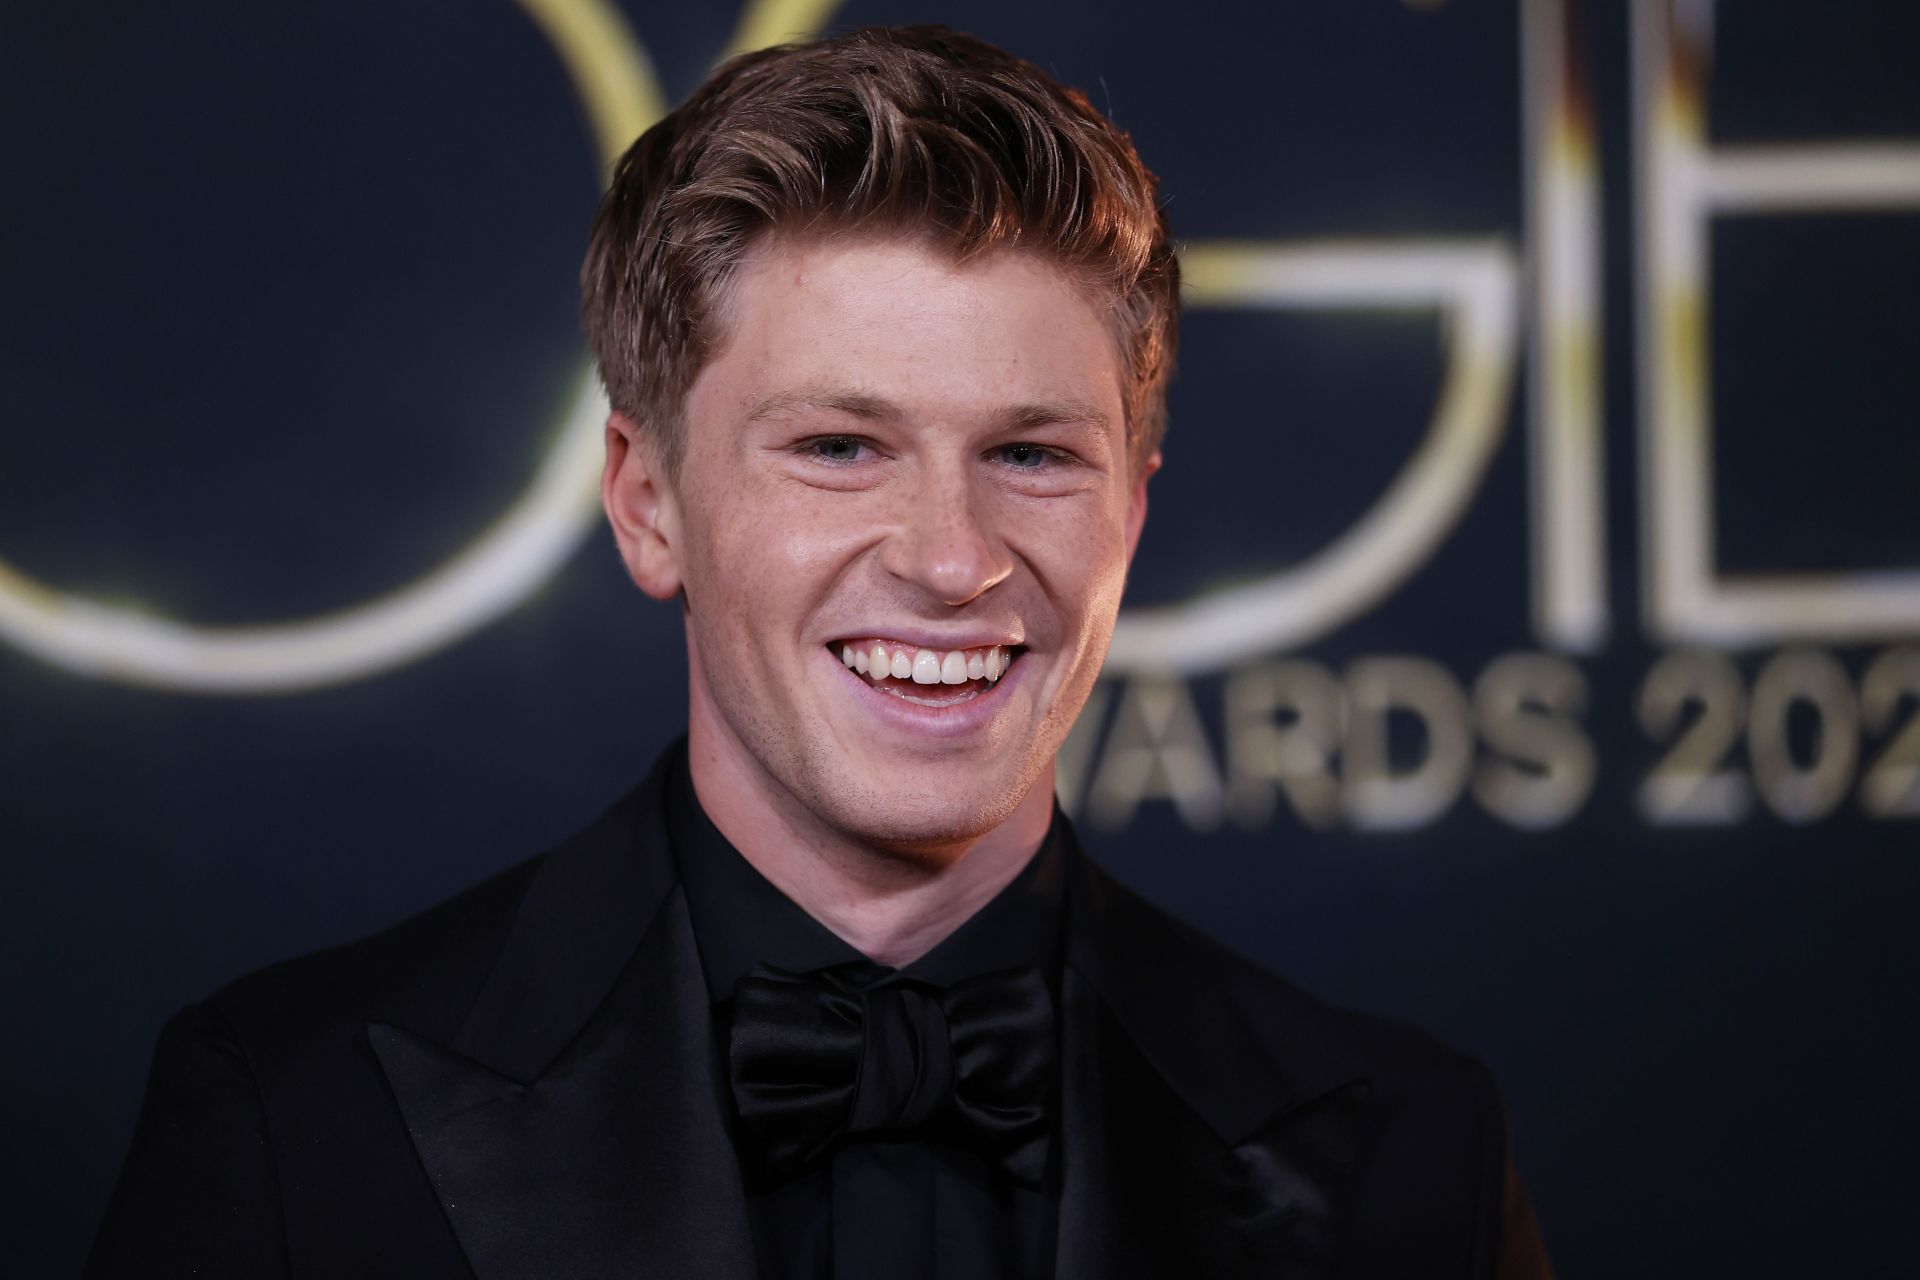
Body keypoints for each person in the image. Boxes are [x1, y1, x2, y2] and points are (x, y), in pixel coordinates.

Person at [89, 25, 1551, 1279]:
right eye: (841, 447)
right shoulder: (292, 1119)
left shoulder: (1410, 1154)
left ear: (1132, 510)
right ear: (647, 504)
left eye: (1033, 455)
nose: (950, 559)